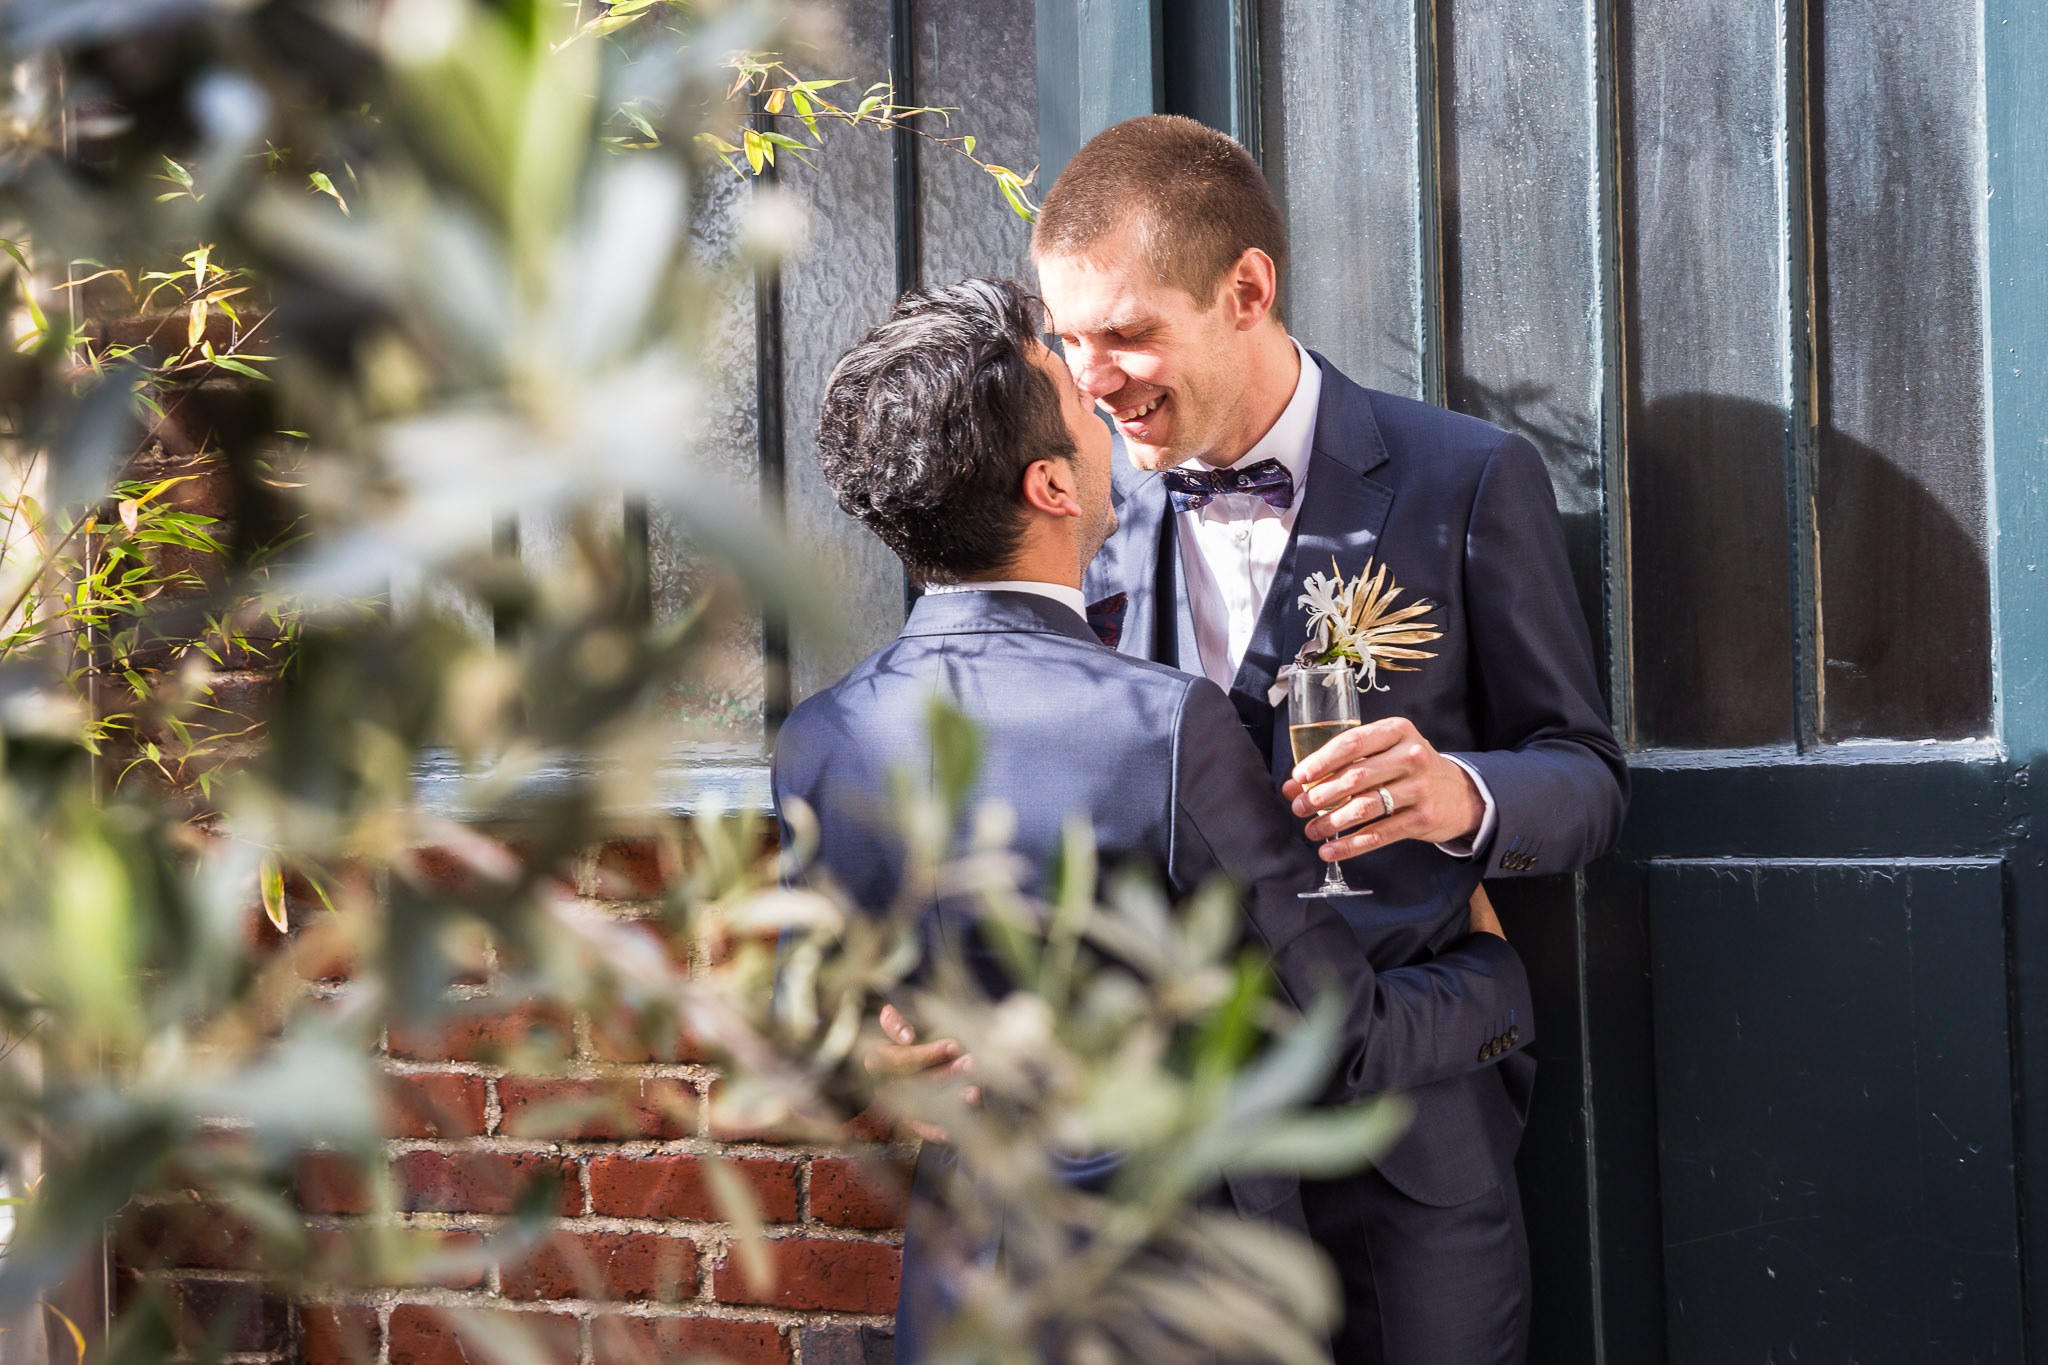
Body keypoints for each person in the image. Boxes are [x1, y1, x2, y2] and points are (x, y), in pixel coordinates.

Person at [772, 277, 1536, 1361]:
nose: (1100, 402)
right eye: (1074, 404)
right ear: (1047, 484)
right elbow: (1334, 1037)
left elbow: (812, 1008)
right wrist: (1489, 980)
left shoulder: (820, 735)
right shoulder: (1158, 728)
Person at [1033, 115, 1630, 1364]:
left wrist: (1456, 795)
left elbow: (1582, 777)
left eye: (1128, 333)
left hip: (1405, 1134)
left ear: (1246, 288)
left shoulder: (1461, 478)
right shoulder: (1076, 515)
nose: (1091, 381)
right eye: (1069, 341)